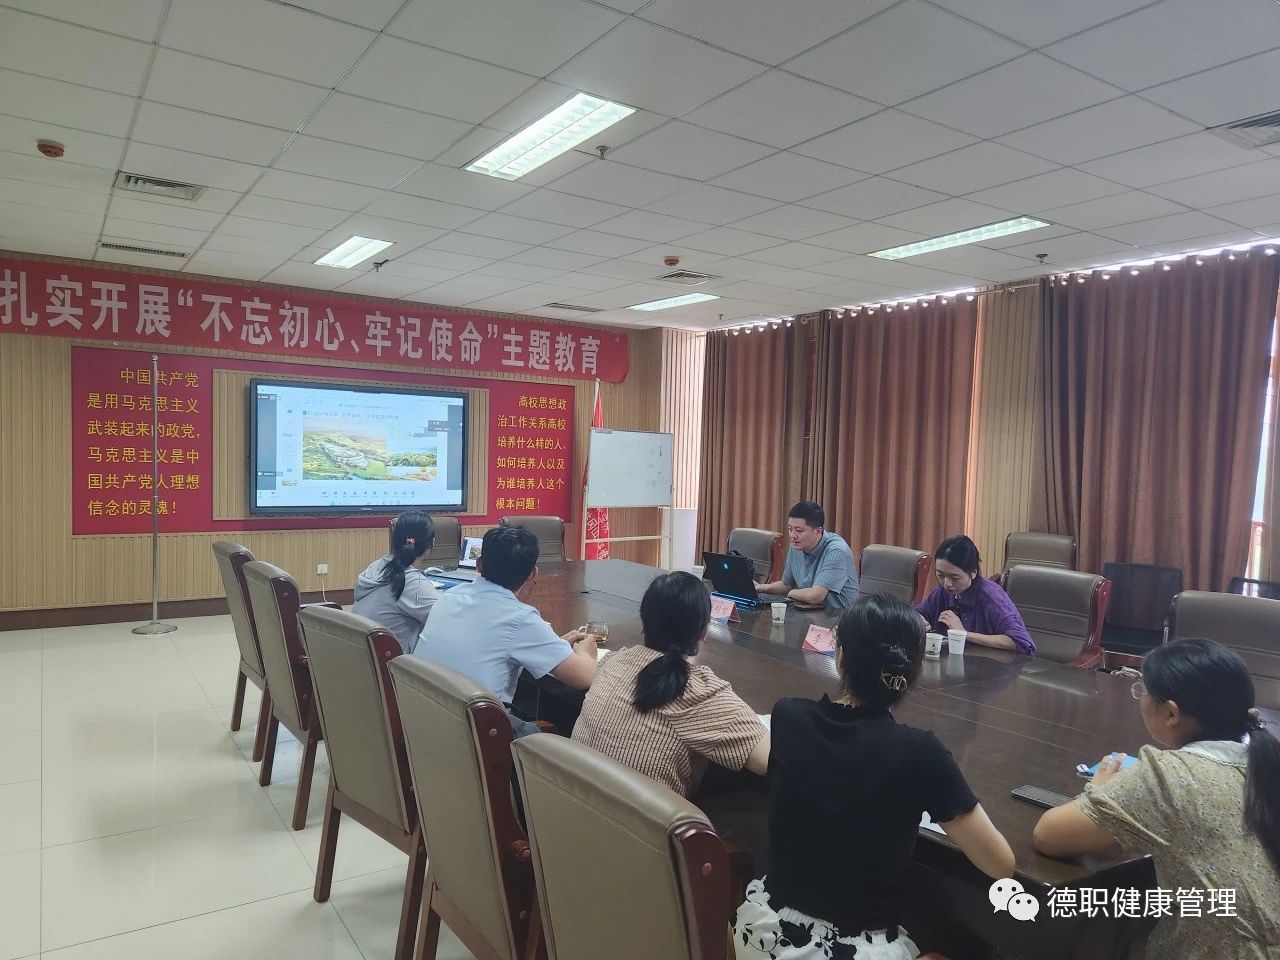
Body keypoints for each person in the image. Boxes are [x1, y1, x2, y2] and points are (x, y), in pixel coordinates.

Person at [735, 594, 1015, 960]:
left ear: (840, 658)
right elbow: (1000, 864)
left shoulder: (788, 717)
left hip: (763, 938)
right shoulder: (921, 753)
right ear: (911, 674)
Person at [1033, 639, 1280, 960]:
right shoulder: (1266, 762)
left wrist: (1099, 788)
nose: (1139, 697)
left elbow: (1049, 836)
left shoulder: (1168, 775)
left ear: (1171, 712)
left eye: (1142, 690)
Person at [572, 571, 770, 797]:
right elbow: (771, 759)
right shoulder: (699, 693)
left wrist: (584, 655)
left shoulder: (614, 662)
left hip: (573, 807)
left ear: (645, 619)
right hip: (640, 819)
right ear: (703, 631)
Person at [414, 523, 597, 736]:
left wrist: (553, 648)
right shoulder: (520, 618)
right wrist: (585, 652)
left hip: (423, 719)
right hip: (477, 736)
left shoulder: (448, 597)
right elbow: (584, 677)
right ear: (532, 573)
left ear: (479, 564)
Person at [915, 534, 1034, 655]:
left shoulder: (991, 598)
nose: (946, 583)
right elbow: (917, 613)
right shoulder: (942, 592)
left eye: (954, 578)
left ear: (973, 573)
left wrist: (964, 634)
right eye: (940, 575)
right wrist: (917, 621)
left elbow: (1022, 643)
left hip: (991, 663)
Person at [352, 511, 440, 654]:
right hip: (392, 662)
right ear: (432, 543)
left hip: (363, 655)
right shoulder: (413, 583)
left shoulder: (377, 566)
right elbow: (444, 624)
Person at [756, 501, 860, 609]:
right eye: (790, 529)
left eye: (799, 531)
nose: (793, 536)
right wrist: (762, 587)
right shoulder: (796, 546)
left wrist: (791, 592)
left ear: (818, 531)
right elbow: (787, 585)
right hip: (810, 611)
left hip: (839, 615)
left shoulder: (836, 551)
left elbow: (815, 597)